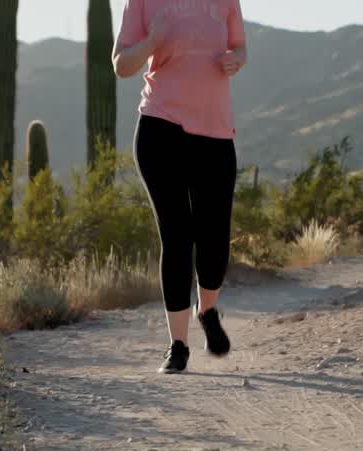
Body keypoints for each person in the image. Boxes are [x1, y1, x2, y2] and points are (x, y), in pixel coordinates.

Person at [113, 0, 247, 374]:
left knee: (214, 235)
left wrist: (235, 60)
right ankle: (178, 345)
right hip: (161, 128)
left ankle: (207, 310)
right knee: (177, 236)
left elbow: (240, 47)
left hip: (216, 132)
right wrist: (152, 40)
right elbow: (122, 65)